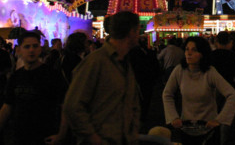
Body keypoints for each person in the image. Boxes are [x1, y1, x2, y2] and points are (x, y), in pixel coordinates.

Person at [62, 11, 142, 144]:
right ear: (131, 32)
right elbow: (72, 105)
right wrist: (93, 138)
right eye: (138, 30)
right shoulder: (96, 62)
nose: (139, 35)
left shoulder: (124, 62)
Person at [163, 36, 235, 145]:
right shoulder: (179, 70)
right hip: (186, 128)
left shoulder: (210, 72)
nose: (189, 53)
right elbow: (167, 94)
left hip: (208, 129)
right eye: (187, 49)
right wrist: (173, 117)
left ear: (202, 53)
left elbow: (233, 95)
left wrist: (219, 120)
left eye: (194, 50)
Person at [0, 31, 65, 144]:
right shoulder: (16, 76)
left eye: (35, 46)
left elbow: (64, 106)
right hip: (20, 136)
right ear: (19, 50)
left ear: (40, 49)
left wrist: (61, 134)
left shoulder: (52, 75)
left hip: (45, 136)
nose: (31, 50)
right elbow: (7, 106)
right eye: (27, 46)